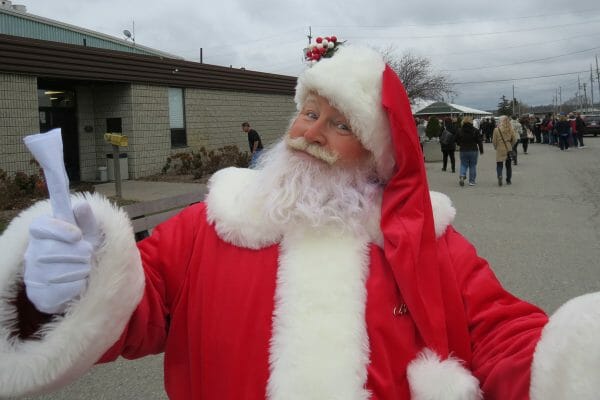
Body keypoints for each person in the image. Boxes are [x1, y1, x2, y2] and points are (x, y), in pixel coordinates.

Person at [1, 44, 599, 400]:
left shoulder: (426, 244)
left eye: (340, 125)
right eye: (308, 112)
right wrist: (62, 287)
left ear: (378, 156)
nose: (310, 132)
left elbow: (502, 334)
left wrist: (571, 364)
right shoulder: (213, 221)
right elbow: (135, 307)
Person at [455, 116, 483, 186]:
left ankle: (462, 175)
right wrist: (481, 150)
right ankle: (472, 181)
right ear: (471, 122)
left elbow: (456, 140)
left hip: (463, 149)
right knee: (472, 165)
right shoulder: (475, 130)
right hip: (473, 150)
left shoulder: (459, 130)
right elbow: (479, 141)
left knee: (463, 164)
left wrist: (459, 144)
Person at [492, 115, 517, 186]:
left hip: (500, 147)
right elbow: (514, 140)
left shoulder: (496, 129)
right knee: (508, 165)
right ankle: (508, 180)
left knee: (499, 164)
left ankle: (500, 175)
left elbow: (494, 140)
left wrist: (495, 147)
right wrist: (510, 145)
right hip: (508, 147)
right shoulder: (511, 129)